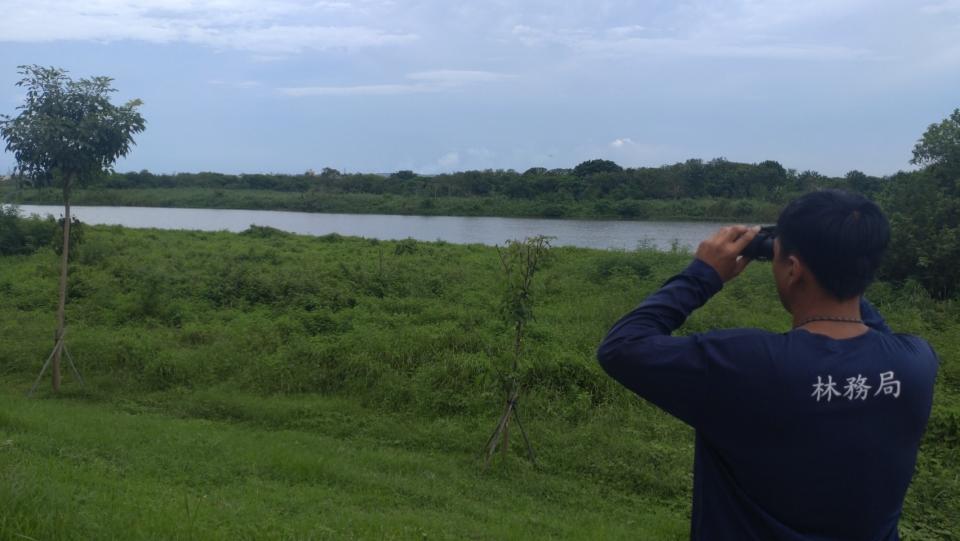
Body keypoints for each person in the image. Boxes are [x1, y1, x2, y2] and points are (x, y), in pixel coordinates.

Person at [597, 190, 938, 540]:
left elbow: (623, 346)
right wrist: (842, 264)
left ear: (792, 269)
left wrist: (703, 274)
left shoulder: (743, 363)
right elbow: (869, 328)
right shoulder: (916, 362)